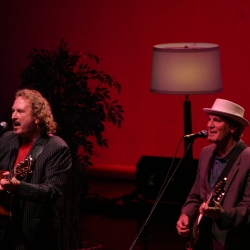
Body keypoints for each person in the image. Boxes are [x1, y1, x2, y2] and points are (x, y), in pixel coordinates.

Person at [0, 89, 72, 250]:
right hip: (4, 228)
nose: (13, 116)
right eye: (12, 111)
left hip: (35, 233)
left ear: (38, 117)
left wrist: (18, 187)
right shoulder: (7, 139)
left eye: (20, 111)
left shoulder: (56, 147)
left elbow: (52, 191)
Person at [176, 98, 250, 250]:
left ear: (233, 127)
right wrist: (186, 215)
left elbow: (247, 209)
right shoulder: (206, 153)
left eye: (216, 121)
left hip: (231, 241)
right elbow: (195, 195)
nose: (209, 125)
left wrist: (222, 214)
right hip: (202, 238)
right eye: (209, 120)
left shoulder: (247, 158)